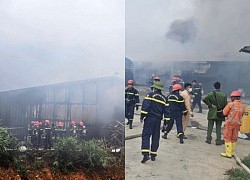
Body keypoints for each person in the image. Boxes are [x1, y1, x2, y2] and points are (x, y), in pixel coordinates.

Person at [140, 82, 168, 163]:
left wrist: (142, 116)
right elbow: (167, 112)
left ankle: (145, 154)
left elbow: (146, 106)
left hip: (149, 118)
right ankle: (153, 155)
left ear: (155, 88)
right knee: (156, 136)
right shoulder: (164, 98)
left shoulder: (150, 95)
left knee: (146, 135)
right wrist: (165, 123)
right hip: (158, 120)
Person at [221, 91, 245, 158]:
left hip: (230, 123)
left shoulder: (230, 104)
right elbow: (242, 114)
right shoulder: (242, 106)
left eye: (231, 97)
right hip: (237, 124)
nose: (231, 98)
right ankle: (231, 152)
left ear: (234, 97)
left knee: (227, 138)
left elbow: (224, 113)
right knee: (234, 138)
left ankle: (228, 153)